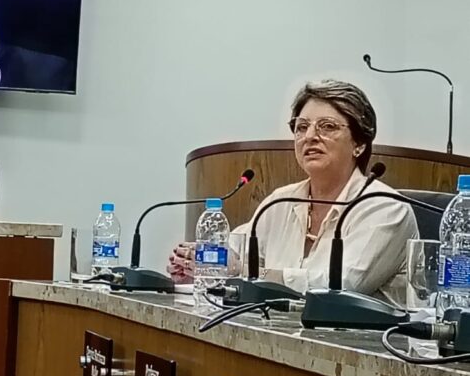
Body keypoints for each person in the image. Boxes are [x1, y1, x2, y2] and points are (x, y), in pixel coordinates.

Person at [169, 79, 418, 305]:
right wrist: (197, 264)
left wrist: (244, 271)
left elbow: (342, 286)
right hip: (280, 331)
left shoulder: (385, 208)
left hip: (362, 337)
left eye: (327, 126)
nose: (310, 136)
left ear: (359, 143)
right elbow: (235, 250)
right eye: (301, 127)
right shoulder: (280, 201)